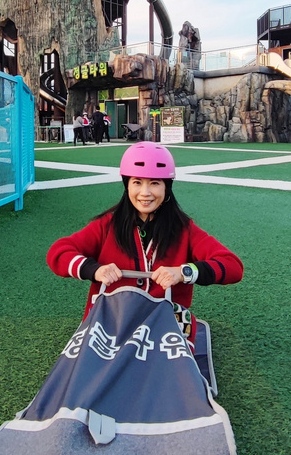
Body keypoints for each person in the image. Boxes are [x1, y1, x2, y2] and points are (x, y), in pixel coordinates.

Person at [47, 142, 243, 348]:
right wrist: (94, 270)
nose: (145, 192)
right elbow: (58, 252)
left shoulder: (184, 229)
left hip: (164, 319)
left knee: (166, 372)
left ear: (167, 186)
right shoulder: (106, 225)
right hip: (112, 316)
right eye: (137, 182)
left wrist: (183, 272)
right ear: (127, 185)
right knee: (95, 369)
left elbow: (232, 266)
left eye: (155, 183)